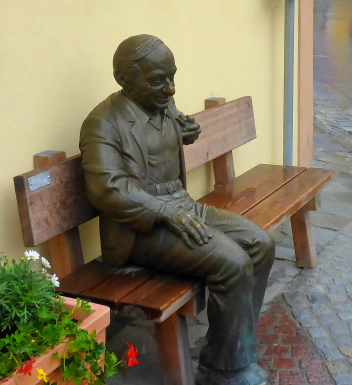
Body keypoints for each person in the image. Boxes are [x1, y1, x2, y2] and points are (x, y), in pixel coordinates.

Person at [79, 35, 275, 385]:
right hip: (140, 228)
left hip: (183, 206)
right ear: (124, 79)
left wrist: (187, 131)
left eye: (172, 77)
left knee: (260, 244)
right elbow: (107, 189)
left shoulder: (162, 102)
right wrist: (166, 213)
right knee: (232, 263)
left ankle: (229, 351)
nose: (170, 89)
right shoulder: (103, 123)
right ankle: (227, 371)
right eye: (158, 81)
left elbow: (166, 137)